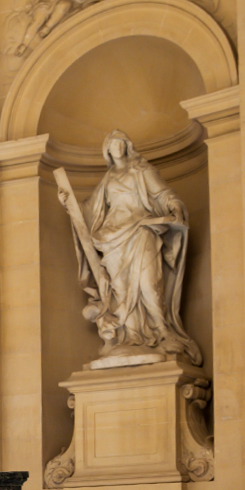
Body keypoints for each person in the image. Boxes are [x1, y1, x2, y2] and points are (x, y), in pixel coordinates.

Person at [62, 129, 203, 366]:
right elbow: (90, 209)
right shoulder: (107, 180)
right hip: (112, 237)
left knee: (149, 282)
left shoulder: (141, 170)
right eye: (112, 144)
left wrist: (176, 206)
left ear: (127, 146)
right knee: (120, 288)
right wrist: (69, 204)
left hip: (141, 230)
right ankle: (130, 337)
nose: (117, 147)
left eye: (120, 143)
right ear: (107, 149)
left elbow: (164, 194)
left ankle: (161, 329)